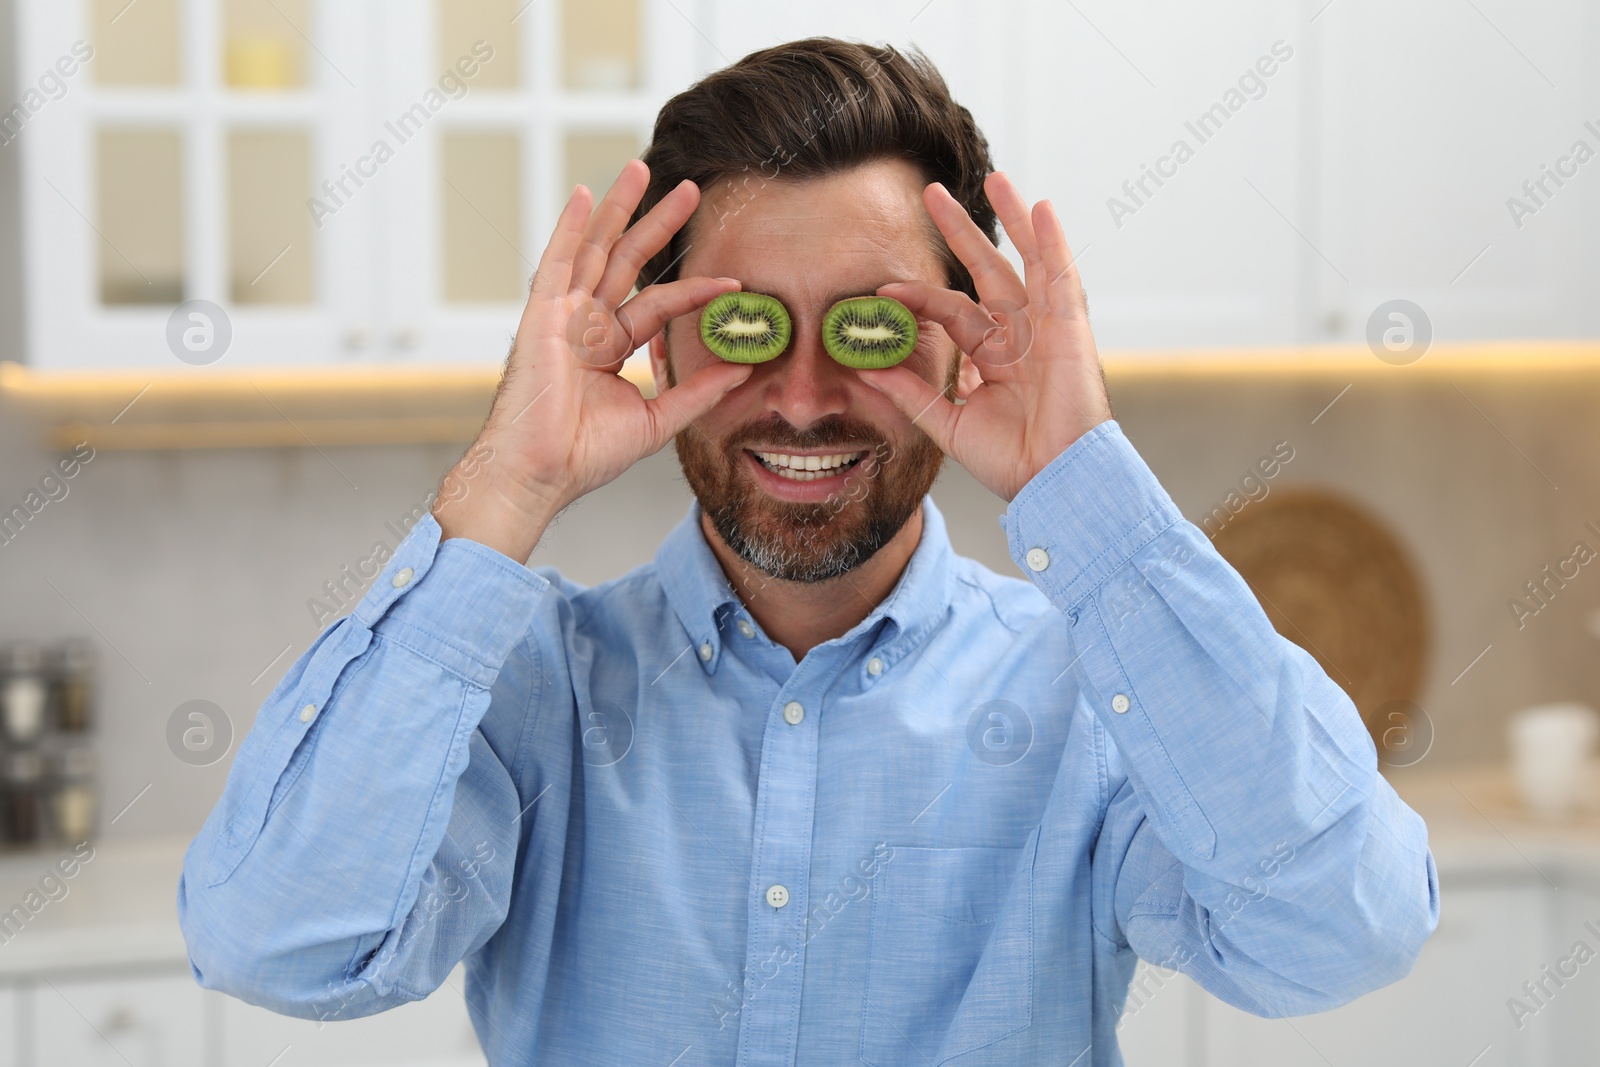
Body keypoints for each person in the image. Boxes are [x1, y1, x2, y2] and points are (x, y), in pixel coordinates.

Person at [177, 37, 1439, 1066]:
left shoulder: (1095, 702)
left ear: (958, 342)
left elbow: (1343, 929)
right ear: (658, 348)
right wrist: (504, 483)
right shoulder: (528, 697)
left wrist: (1082, 483)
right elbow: (276, 942)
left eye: (874, 327)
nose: (800, 394)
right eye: (744, 326)